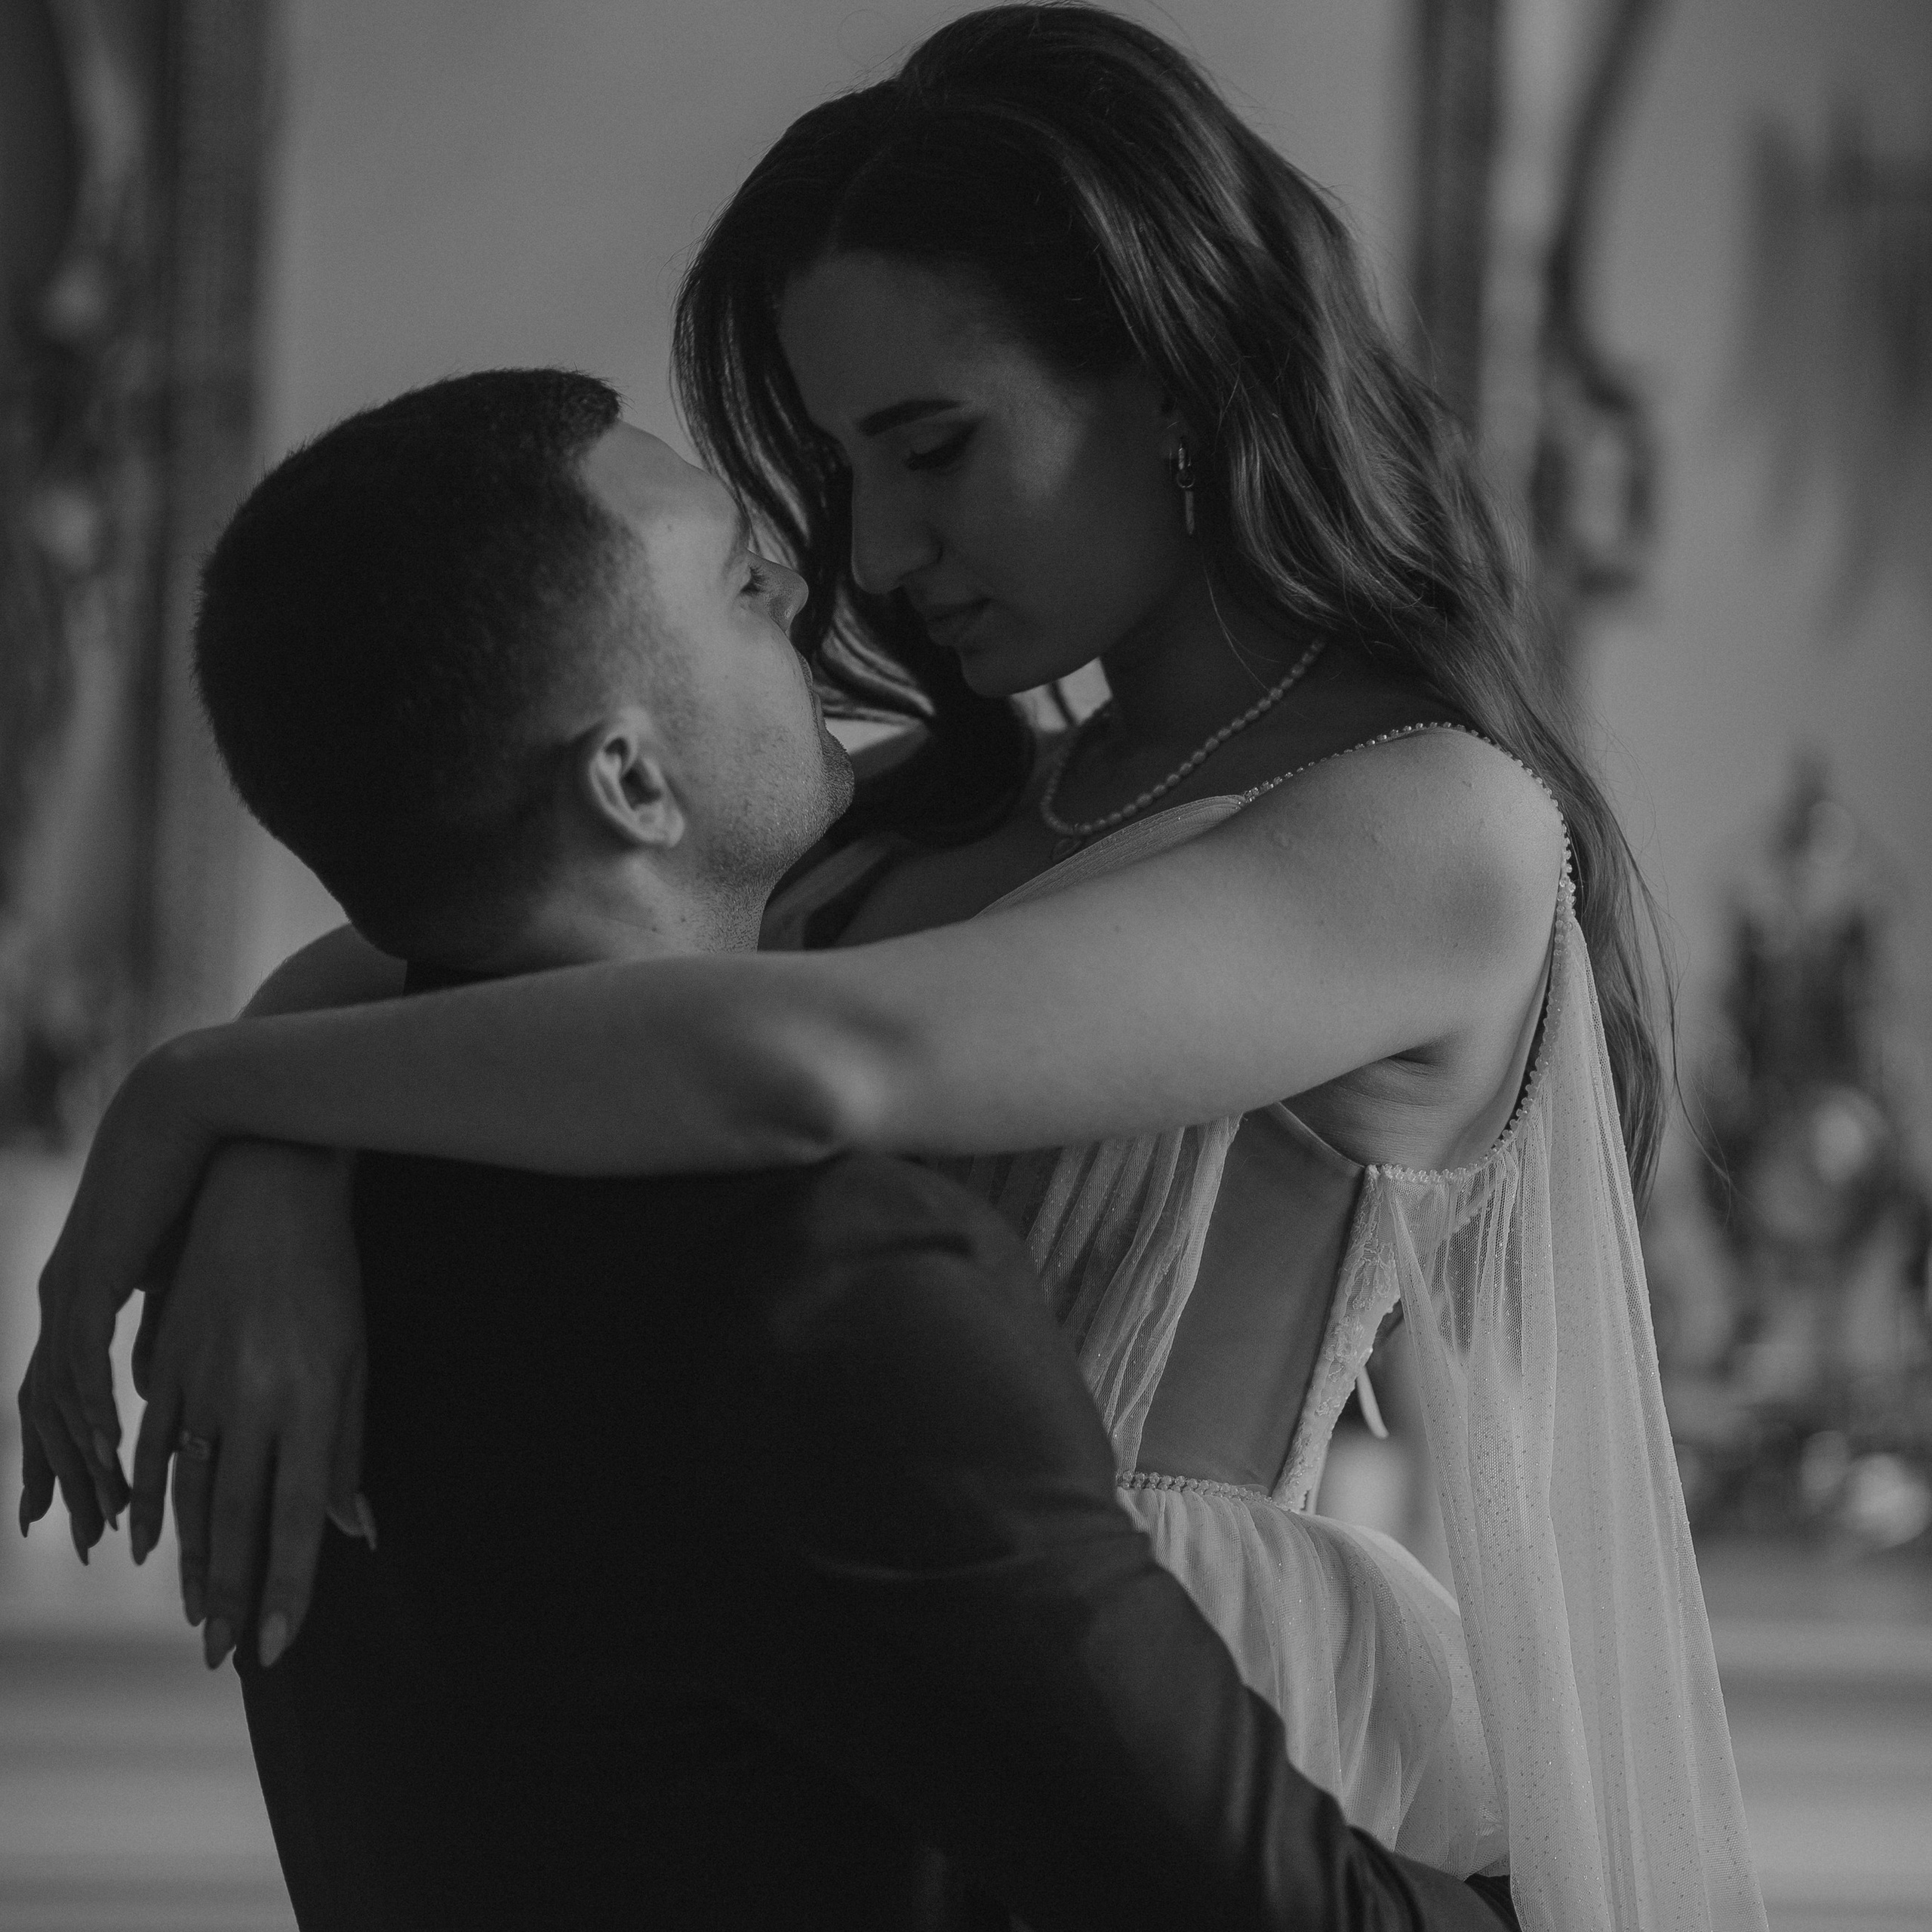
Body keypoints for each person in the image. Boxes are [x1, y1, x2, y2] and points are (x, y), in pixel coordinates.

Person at [20, 11, 1765, 1930]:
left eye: (933, 447)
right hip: (825, 1730)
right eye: (838, 465)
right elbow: (440, 935)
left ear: (1174, 376)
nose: (870, 552)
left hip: (1194, 1731)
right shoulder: (928, 797)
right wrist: (273, 1168)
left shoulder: (1427, 823)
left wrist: (200, 1091)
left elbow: (812, 1066)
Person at [165, 365, 1518, 1931]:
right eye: (745, 587)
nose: (822, 590)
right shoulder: (820, 1287)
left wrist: (209, 1106)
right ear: (630, 779)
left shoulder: (306, 1246)